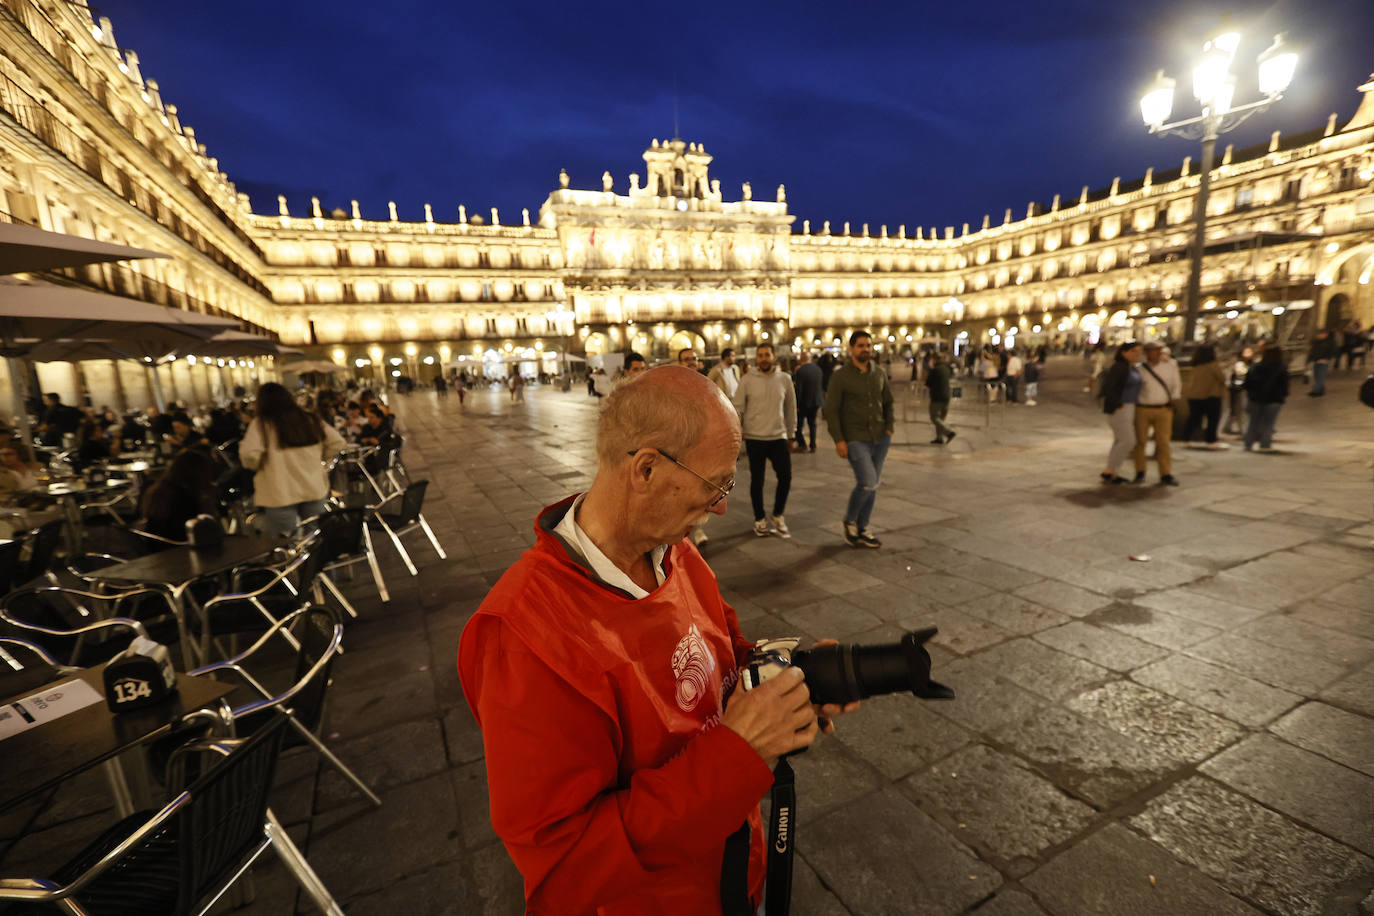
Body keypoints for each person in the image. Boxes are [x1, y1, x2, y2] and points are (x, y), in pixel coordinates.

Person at [457, 366, 857, 915]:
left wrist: (785, 680)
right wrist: (739, 751)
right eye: (715, 484)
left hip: (736, 869)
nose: (721, 506)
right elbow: (566, 863)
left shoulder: (674, 551)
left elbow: (724, 659)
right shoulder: (524, 635)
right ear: (645, 468)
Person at [239, 382, 346, 538]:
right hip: (312, 486)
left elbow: (249, 456)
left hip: (280, 491)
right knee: (315, 538)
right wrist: (319, 456)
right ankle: (314, 563)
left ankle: (294, 563)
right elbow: (338, 442)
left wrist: (260, 465)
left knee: (287, 541)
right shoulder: (309, 419)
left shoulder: (262, 425)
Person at [823, 330, 894, 548]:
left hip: (880, 438)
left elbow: (888, 401)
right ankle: (850, 520)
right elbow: (831, 410)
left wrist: (889, 428)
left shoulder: (878, 373)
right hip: (855, 438)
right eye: (861, 345)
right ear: (852, 349)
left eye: (868, 345)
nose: (866, 349)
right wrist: (839, 440)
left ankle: (863, 528)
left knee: (872, 484)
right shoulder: (841, 376)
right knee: (868, 482)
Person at [732, 343, 795, 538]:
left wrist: (792, 434)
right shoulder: (747, 380)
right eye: (760, 355)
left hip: (778, 436)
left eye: (767, 355)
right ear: (756, 359)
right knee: (757, 480)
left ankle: (777, 514)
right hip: (755, 438)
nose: (763, 358)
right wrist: (735, 435)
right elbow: (738, 408)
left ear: (774, 356)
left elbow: (791, 408)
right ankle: (759, 519)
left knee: (785, 477)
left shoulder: (785, 379)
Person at [140, 444, 219, 544]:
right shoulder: (186, 499)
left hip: (156, 547)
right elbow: (205, 531)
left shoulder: (158, 489)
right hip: (180, 550)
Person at [1132, 341, 1182, 486]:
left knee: (1163, 443)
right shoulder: (1139, 368)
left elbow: (1176, 384)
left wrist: (1174, 398)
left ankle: (1165, 474)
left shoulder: (1170, 365)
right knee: (1140, 442)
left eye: (1159, 350)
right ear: (1146, 352)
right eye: (1153, 351)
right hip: (1142, 408)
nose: (1157, 353)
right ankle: (1140, 471)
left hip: (1163, 409)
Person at [1099, 341, 1142, 484]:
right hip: (1121, 408)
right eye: (1134, 351)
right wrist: (1119, 405)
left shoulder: (1132, 368)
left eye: (1139, 351)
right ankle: (1110, 470)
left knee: (1120, 440)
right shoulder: (1119, 367)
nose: (1137, 354)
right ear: (1124, 352)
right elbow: (1109, 388)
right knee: (1129, 441)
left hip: (1129, 406)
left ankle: (1111, 471)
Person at [1244, 344, 1289, 453]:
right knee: (1269, 423)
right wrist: (1282, 395)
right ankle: (1265, 444)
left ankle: (1248, 444)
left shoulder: (1255, 367)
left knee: (1253, 423)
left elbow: (1247, 383)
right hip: (1274, 400)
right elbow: (1284, 385)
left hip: (1256, 399)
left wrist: (1251, 394)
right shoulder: (1281, 368)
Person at [1182, 344, 1228, 450]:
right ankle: (1211, 440)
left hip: (1194, 396)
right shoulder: (1213, 365)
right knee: (1213, 419)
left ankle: (1186, 439)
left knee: (1193, 418)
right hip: (1211, 396)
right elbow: (1222, 378)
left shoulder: (1196, 364)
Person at [792, 350, 823, 452]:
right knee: (812, 424)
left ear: (802, 358)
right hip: (815, 401)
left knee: (798, 426)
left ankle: (802, 444)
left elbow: (798, 389)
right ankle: (813, 445)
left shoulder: (801, 371)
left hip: (804, 403)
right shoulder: (818, 369)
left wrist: (796, 405)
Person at [925, 351, 956, 444]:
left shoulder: (935, 370)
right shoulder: (946, 368)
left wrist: (930, 370)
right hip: (947, 396)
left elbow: (928, 383)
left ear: (934, 360)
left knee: (934, 417)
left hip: (937, 397)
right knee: (940, 419)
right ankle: (939, 438)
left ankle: (949, 432)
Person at [1224, 346, 1253, 436]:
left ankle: (1228, 427)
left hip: (1242, 389)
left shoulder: (1251, 364)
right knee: (1239, 409)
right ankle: (1243, 430)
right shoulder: (1240, 365)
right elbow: (1240, 377)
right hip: (1238, 390)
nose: (1249, 354)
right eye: (1246, 352)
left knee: (1237, 410)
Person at [1307, 329, 1339, 396]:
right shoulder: (1316, 342)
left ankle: (1315, 391)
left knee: (1321, 376)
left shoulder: (1330, 342)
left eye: (1320, 334)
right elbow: (1312, 351)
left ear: (1325, 334)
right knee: (1316, 376)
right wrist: (1309, 360)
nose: (1318, 335)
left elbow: (1334, 351)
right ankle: (1321, 390)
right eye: (1318, 334)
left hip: (1324, 361)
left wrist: (1327, 359)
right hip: (1316, 360)